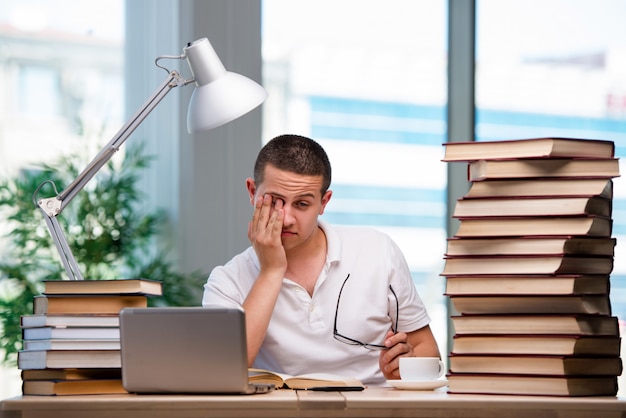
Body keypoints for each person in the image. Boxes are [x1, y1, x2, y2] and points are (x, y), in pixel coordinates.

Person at [202, 134, 440, 386]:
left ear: (324, 203)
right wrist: (272, 270)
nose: (286, 218)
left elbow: (426, 348)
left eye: (302, 204)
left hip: (373, 408)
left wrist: (407, 367)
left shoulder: (378, 250)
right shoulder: (226, 280)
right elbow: (223, 372)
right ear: (252, 192)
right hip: (282, 411)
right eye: (274, 201)